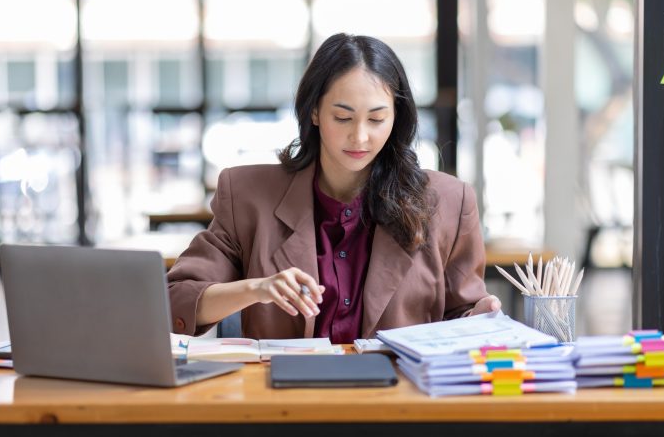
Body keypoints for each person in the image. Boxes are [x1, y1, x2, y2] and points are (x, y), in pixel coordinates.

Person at [167, 33, 501, 343]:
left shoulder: (449, 202)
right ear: (314, 111)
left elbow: (462, 316)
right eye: (342, 117)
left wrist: (481, 317)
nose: (359, 137)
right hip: (284, 400)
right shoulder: (247, 195)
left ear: (396, 117)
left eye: (376, 119)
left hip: (400, 401)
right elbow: (174, 301)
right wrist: (255, 288)